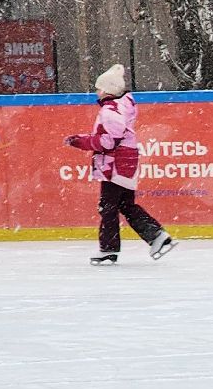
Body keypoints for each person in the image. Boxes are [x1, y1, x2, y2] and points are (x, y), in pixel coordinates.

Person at [64, 64, 175, 266]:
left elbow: (108, 141)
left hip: (116, 164)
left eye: (100, 88)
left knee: (108, 207)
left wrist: (80, 141)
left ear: (108, 90)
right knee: (124, 205)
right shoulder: (123, 105)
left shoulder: (110, 111)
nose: (97, 92)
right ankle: (156, 235)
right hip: (125, 161)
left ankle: (109, 248)